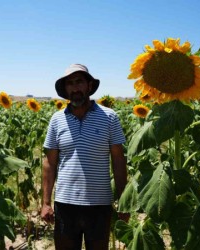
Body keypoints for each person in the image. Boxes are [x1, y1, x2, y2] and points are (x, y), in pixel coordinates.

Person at [41, 64, 128, 250]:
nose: (75, 88)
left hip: (99, 204)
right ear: (65, 89)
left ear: (89, 86)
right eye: (70, 83)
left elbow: (119, 160)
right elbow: (49, 162)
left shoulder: (109, 117)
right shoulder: (56, 119)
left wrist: (124, 200)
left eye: (79, 81)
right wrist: (46, 203)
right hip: (65, 204)